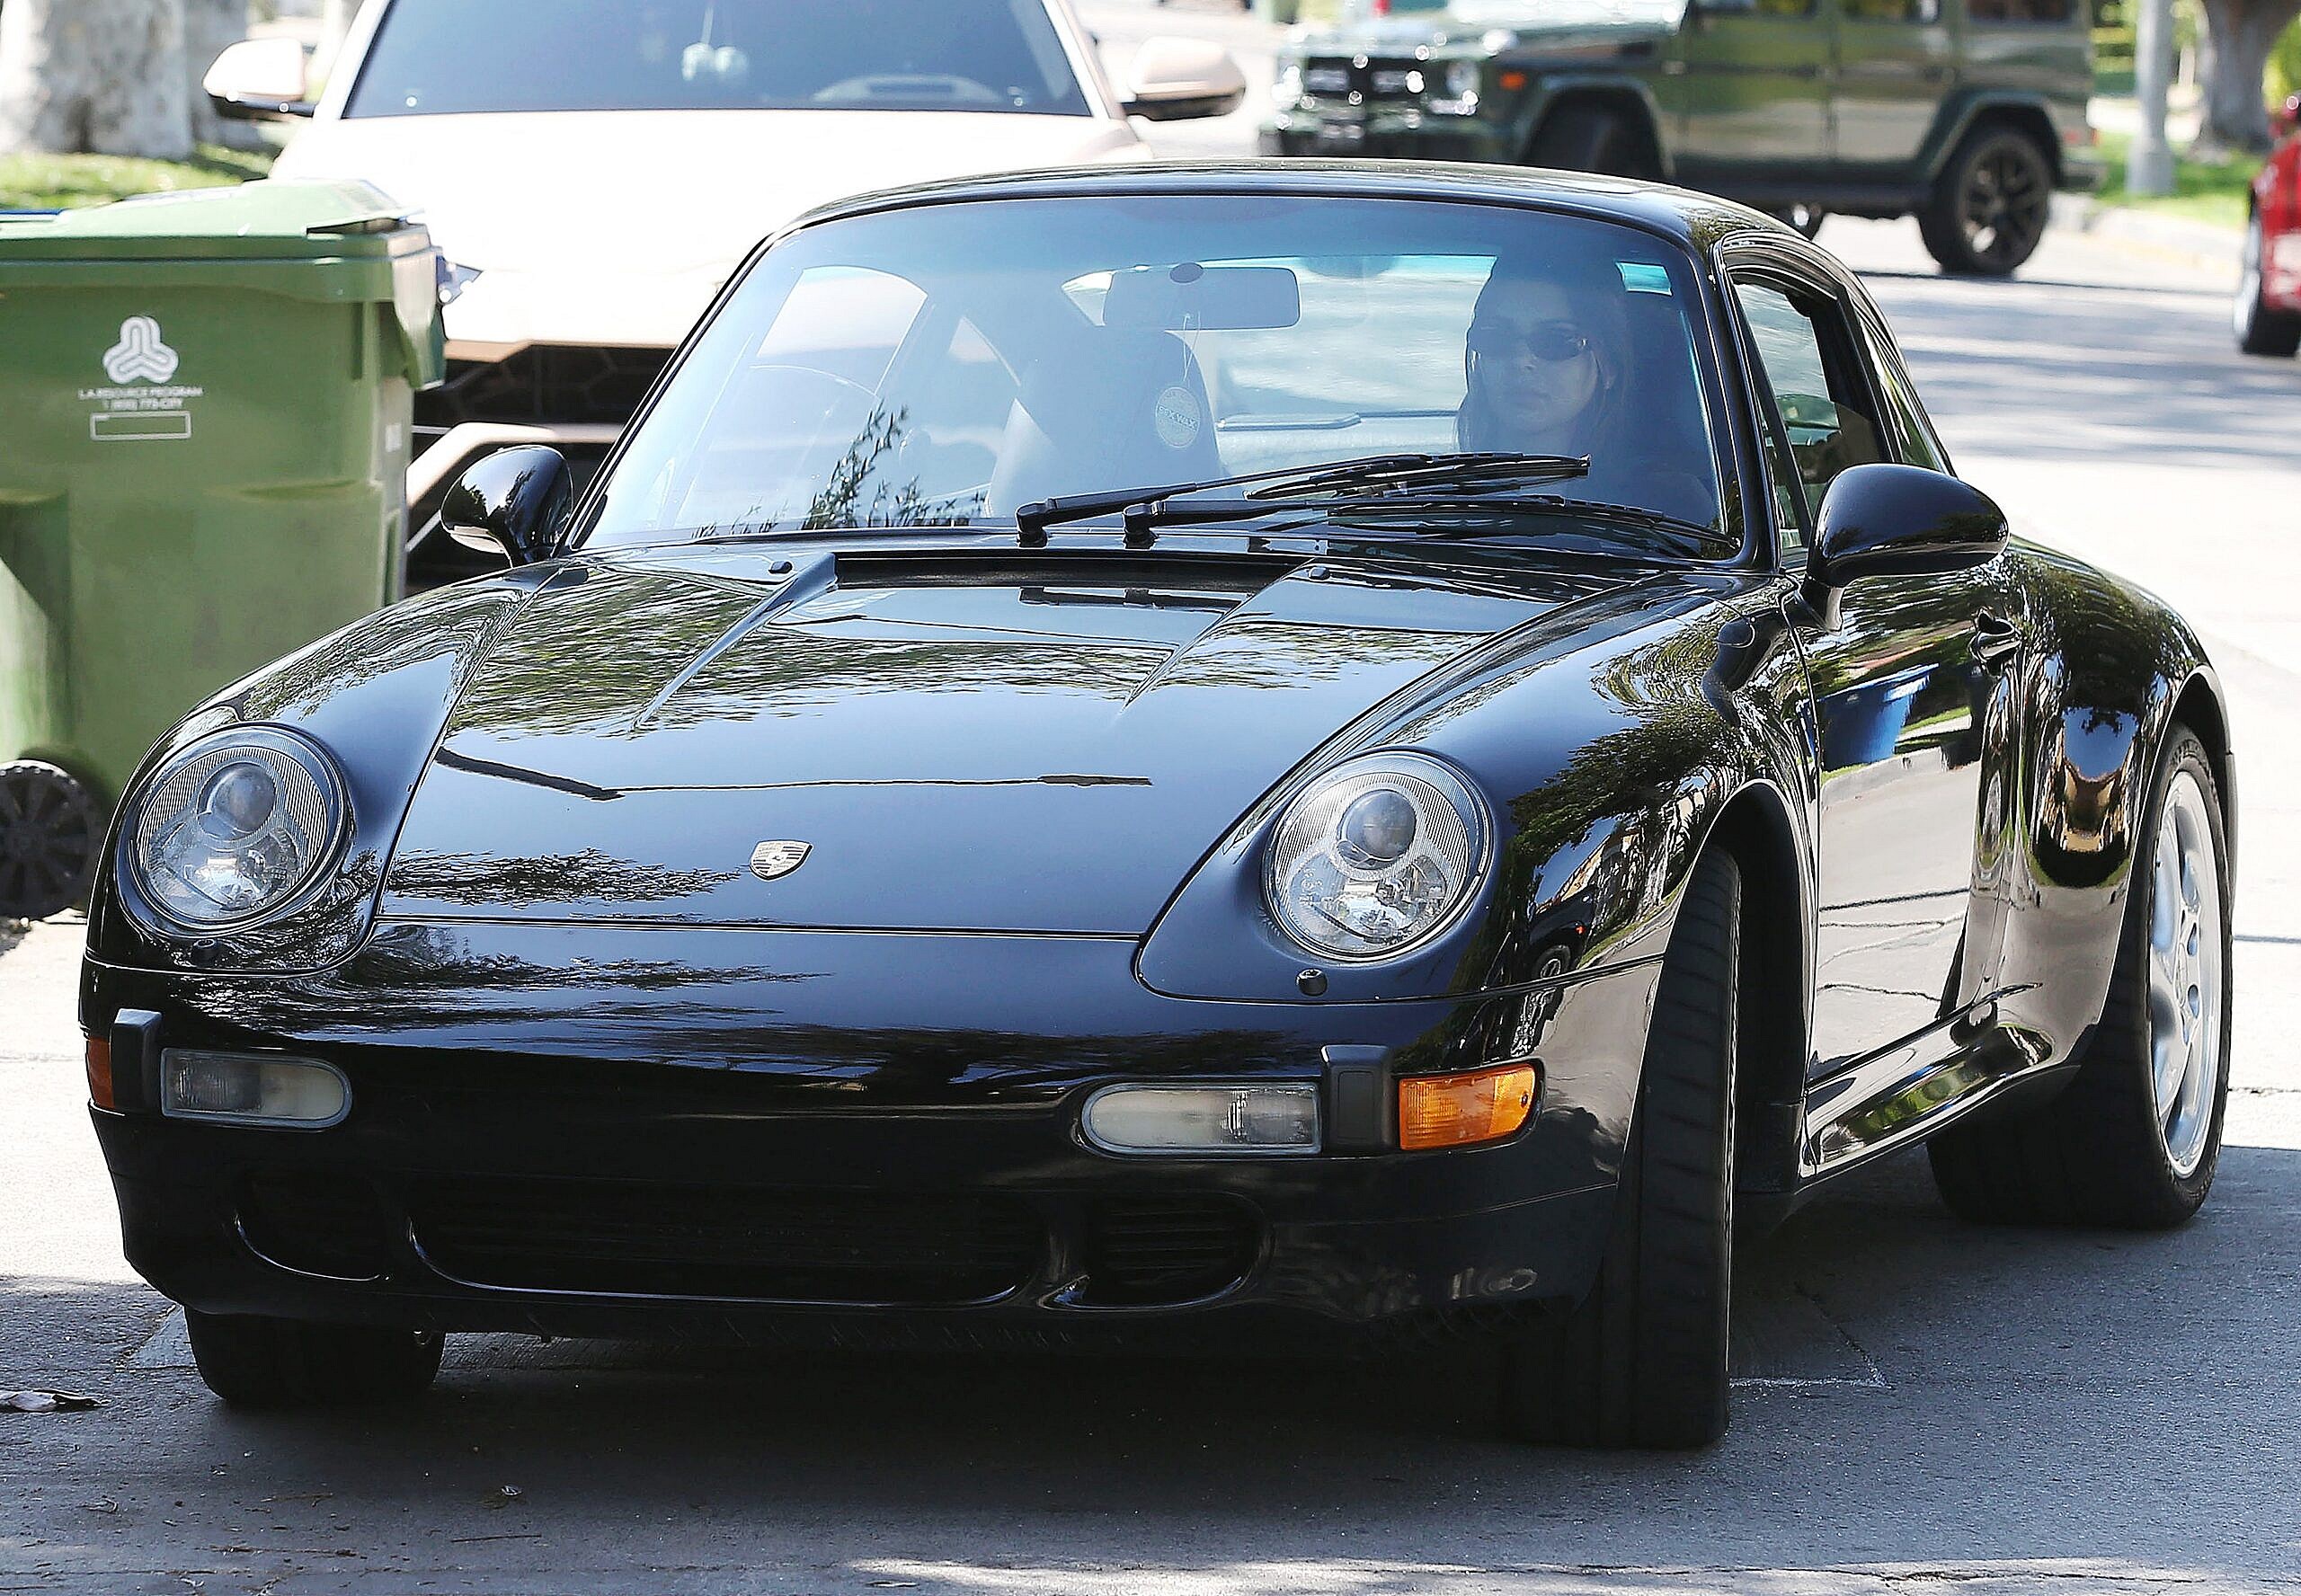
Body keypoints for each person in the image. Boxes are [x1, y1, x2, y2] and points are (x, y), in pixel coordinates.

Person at [1457, 253, 1634, 458]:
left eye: (1555, 341)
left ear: (1609, 363)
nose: (1520, 361)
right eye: (1496, 336)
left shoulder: (1654, 490)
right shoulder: (1427, 483)